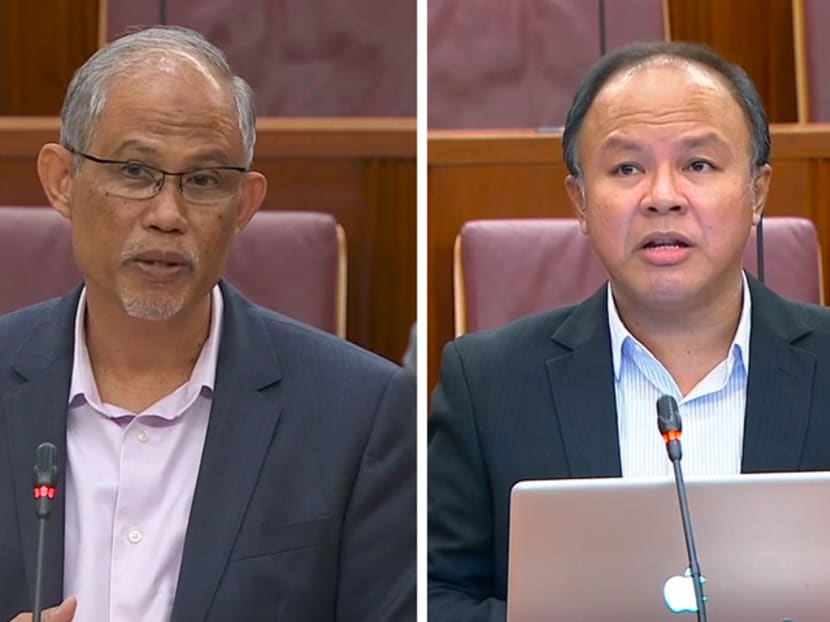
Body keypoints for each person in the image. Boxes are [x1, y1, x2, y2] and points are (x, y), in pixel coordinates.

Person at [0, 26, 415, 622]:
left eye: (203, 181)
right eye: (135, 171)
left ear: (244, 204)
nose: (168, 215)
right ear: (62, 181)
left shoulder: (360, 415)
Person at [428, 41, 830, 621]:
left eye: (698, 164)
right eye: (626, 168)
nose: (662, 198)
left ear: (757, 191)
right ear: (581, 201)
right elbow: (433, 596)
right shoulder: (488, 385)